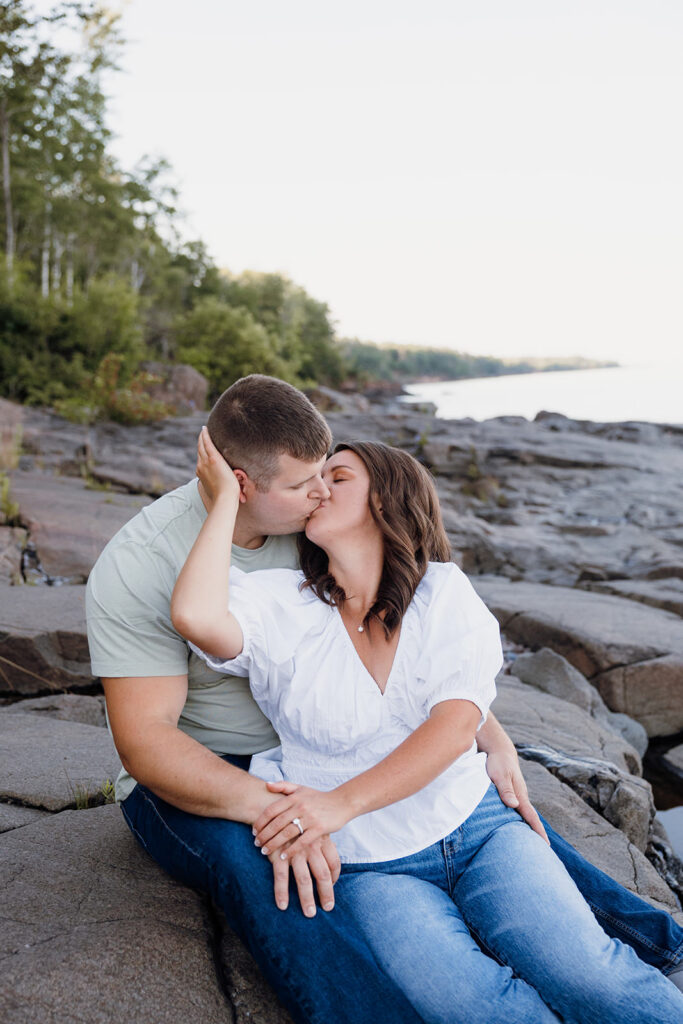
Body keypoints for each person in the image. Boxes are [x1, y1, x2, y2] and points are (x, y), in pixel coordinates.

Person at [86, 375, 683, 1024]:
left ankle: (655, 944)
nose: (318, 492)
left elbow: (444, 695)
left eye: (331, 475)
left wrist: (491, 736)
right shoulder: (233, 588)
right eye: (309, 483)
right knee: (287, 881)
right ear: (242, 482)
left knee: (571, 938)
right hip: (268, 790)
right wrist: (223, 504)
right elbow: (153, 724)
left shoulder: (402, 576)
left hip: (422, 806)